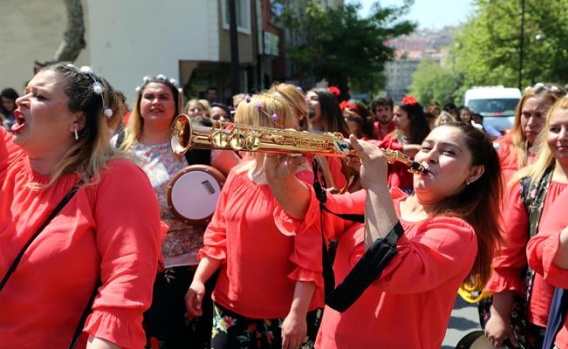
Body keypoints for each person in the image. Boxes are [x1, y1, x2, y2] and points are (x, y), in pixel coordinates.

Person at [264, 121, 503, 348]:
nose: (429, 156)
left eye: (448, 152)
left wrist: (377, 185)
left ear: (474, 173)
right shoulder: (387, 201)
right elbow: (311, 212)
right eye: (426, 147)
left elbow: (392, 270)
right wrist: (279, 177)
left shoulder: (457, 232)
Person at [0, 62, 163, 348]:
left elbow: (126, 280)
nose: (22, 100)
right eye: (25, 91)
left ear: (76, 121)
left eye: (39, 96)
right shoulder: (10, 161)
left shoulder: (115, 179)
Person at [185, 93, 324, 349]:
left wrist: (297, 313)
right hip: (230, 306)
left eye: (240, 123)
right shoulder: (238, 174)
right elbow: (218, 236)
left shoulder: (300, 179)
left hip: (286, 313)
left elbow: (310, 253)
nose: (232, 131)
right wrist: (199, 280)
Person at [117, 74, 240, 349]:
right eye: (149, 96)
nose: (155, 102)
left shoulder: (197, 143)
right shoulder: (119, 147)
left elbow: (241, 178)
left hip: (193, 266)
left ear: (177, 104)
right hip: (139, 264)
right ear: (139, 104)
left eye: (164, 97)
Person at [484, 96, 568, 348]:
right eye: (555, 129)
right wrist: (499, 314)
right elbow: (506, 255)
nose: (562, 136)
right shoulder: (527, 184)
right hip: (539, 310)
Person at [493, 83, 566, 182]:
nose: (531, 123)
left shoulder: (563, 152)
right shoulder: (503, 147)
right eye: (526, 115)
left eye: (540, 115)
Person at [379, 95, 431, 193]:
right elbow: (380, 150)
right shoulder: (392, 138)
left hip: (419, 188)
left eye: (398, 115)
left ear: (412, 117)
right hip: (394, 187)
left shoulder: (427, 139)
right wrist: (402, 149)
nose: (393, 119)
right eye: (394, 115)